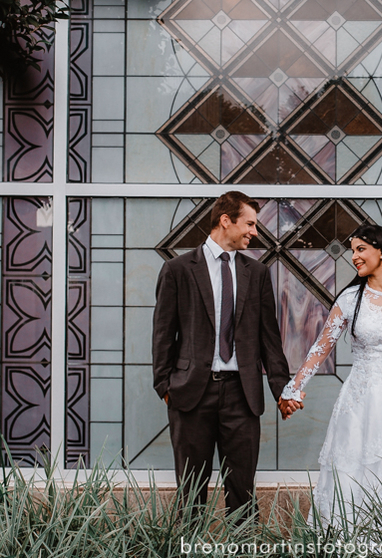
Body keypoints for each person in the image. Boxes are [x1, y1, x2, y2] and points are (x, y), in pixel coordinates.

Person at [278, 223, 382, 523]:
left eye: (361, 249)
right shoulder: (350, 299)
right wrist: (294, 387)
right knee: (355, 473)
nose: (354, 257)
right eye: (353, 252)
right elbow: (321, 347)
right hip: (359, 402)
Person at [151, 190, 295, 521]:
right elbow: (163, 334)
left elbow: (269, 338)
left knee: (243, 494)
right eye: (249, 224)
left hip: (242, 396)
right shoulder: (177, 270)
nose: (254, 232)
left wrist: (282, 389)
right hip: (190, 395)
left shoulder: (256, 273)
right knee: (191, 494)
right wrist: (165, 386)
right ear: (225, 221)